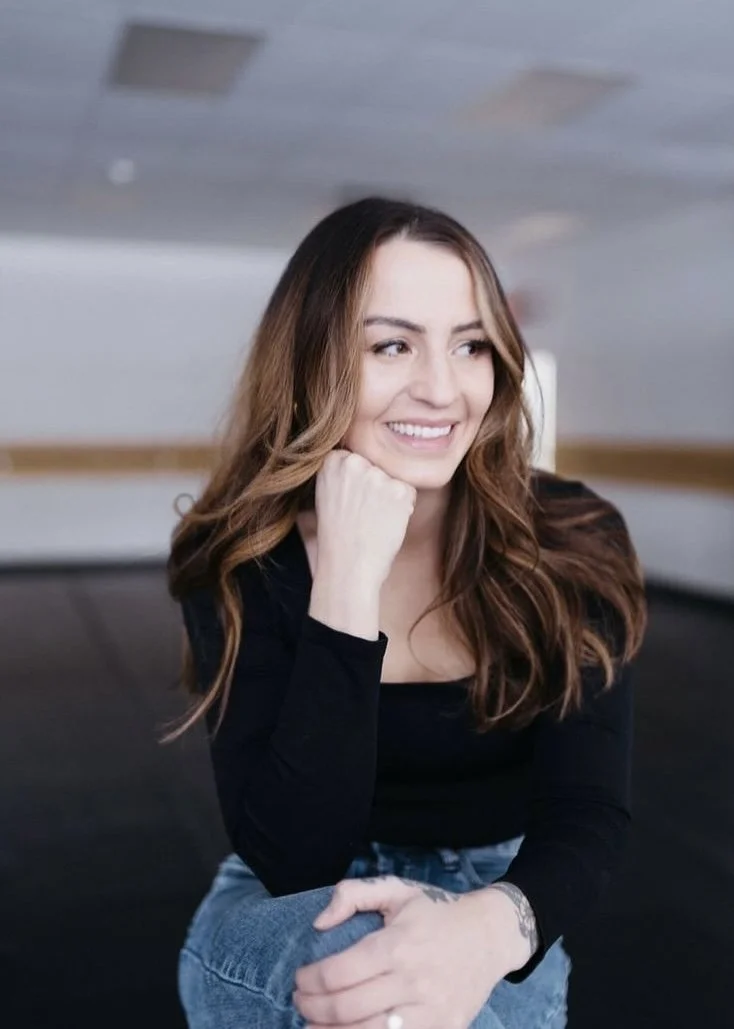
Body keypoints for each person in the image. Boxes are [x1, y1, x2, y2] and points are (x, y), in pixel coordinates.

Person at [164, 196, 647, 1029]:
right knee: (355, 980)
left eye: (469, 345)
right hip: (296, 896)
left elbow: (586, 813)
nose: (440, 388)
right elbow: (295, 858)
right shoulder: (237, 554)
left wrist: (488, 927)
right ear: (313, 362)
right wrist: (346, 580)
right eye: (391, 345)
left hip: (505, 886)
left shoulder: (574, 537)